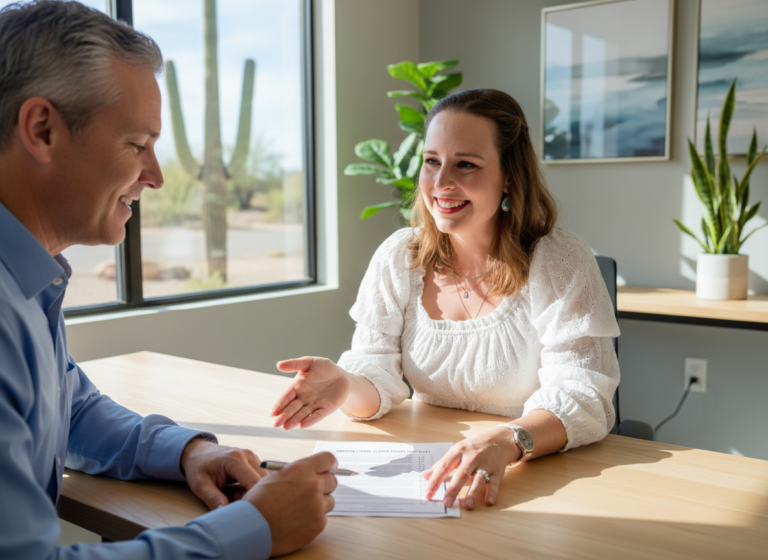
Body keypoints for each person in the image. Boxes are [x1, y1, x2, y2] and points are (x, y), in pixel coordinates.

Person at [0, 2, 336, 558]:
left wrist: (189, 452)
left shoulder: (27, 281)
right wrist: (255, 529)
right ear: (42, 130)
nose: (155, 176)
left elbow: (71, 408)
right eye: (138, 145)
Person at [271, 88, 620, 510]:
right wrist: (346, 384)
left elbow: (584, 395)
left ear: (509, 175)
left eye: (466, 165)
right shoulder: (400, 255)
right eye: (431, 161)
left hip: (533, 477)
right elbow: (377, 371)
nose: (440, 184)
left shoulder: (560, 260)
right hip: (434, 476)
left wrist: (508, 440)